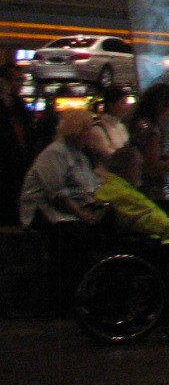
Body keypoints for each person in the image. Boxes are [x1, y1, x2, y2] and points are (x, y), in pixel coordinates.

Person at [18, 109, 101, 307]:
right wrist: (81, 214)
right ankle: (64, 295)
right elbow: (57, 194)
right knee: (74, 235)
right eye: (88, 129)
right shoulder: (55, 153)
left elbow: (89, 186)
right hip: (44, 211)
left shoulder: (79, 155)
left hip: (70, 209)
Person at [94, 145, 169, 245]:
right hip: (141, 245)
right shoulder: (121, 193)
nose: (141, 172)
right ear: (127, 168)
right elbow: (148, 220)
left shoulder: (113, 186)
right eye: (139, 166)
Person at [126, 84, 169, 205]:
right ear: (160, 107)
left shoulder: (139, 123)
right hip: (153, 192)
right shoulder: (152, 131)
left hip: (136, 186)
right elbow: (153, 167)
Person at [0, 62, 37, 225]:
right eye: (17, 80)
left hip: (20, 165)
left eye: (22, 81)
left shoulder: (20, 106)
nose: (20, 85)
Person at [84, 86, 132, 163]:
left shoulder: (122, 126)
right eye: (122, 103)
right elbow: (109, 156)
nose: (127, 107)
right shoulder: (98, 129)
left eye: (127, 103)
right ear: (111, 105)